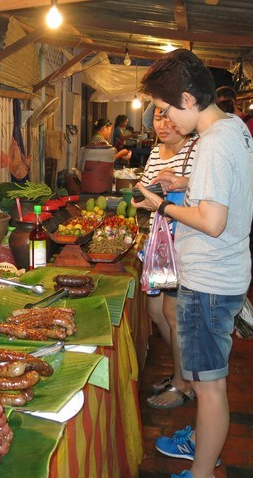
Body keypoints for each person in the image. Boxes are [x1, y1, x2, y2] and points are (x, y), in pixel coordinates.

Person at [135, 49, 253, 478]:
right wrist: (185, 181)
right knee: (209, 385)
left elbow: (212, 221)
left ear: (188, 99)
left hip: (209, 279)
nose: (166, 119)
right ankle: (204, 441)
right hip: (221, 273)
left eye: (166, 109)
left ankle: (201, 471)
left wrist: (163, 204)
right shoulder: (231, 129)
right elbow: (225, 188)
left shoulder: (216, 141)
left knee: (210, 388)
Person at [139, 105, 198, 410]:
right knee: (155, 311)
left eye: (167, 116)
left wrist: (180, 182)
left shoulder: (196, 148)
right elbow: (148, 199)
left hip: (181, 244)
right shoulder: (155, 151)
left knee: (173, 315)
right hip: (157, 243)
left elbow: (207, 194)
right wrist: (145, 194)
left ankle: (182, 382)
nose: (162, 124)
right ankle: (182, 372)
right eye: (157, 118)